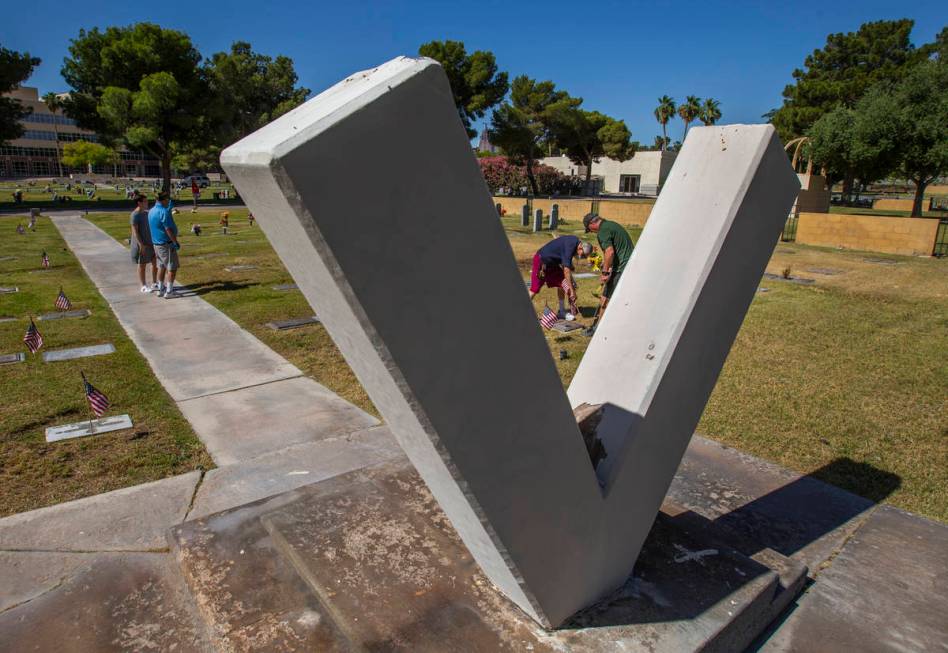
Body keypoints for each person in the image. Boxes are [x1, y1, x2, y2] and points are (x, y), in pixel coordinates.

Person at [582, 212, 635, 334]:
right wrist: (610, 267)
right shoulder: (611, 225)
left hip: (622, 267)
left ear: (592, 224)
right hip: (627, 265)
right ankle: (599, 326)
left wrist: (605, 272)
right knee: (608, 296)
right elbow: (617, 249)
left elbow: (609, 252)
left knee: (607, 298)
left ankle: (598, 330)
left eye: (589, 230)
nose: (591, 232)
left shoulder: (602, 231)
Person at [529, 234, 592, 320]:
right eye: (583, 255)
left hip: (552, 264)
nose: (582, 257)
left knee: (562, 284)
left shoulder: (575, 241)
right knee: (534, 289)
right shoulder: (571, 246)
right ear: (580, 248)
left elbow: (562, 250)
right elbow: (566, 270)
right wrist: (572, 290)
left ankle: (562, 311)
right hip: (541, 261)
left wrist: (571, 280)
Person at [148, 191, 182, 298]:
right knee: (172, 267)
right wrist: (175, 241)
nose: (169, 201)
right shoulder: (163, 212)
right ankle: (169, 291)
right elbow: (168, 229)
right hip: (166, 244)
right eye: (167, 199)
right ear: (164, 200)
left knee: (161, 266)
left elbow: (159, 221)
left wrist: (168, 209)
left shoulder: (152, 210)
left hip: (156, 244)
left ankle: (161, 288)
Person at [130, 193, 158, 293]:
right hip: (141, 244)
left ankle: (155, 283)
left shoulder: (146, 213)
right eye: (145, 201)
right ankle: (143, 285)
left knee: (155, 263)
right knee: (142, 264)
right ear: (139, 203)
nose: (147, 203)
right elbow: (135, 231)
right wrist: (141, 244)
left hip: (150, 242)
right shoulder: (135, 215)